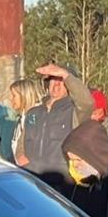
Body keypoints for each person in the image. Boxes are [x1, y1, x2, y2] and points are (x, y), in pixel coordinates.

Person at [17, 63, 94, 194]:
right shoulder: (33, 112)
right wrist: (20, 155)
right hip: (32, 180)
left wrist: (65, 74)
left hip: (63, 184)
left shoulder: (75, 112)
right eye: (54, 79)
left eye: (61, 81)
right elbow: (22, 140)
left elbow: (87, 102)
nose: (57, 84)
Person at [6, 78, 43, 165]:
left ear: (24, 95)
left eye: (14, 95)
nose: (10, 99)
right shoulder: (21, 118)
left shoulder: (36, 118)